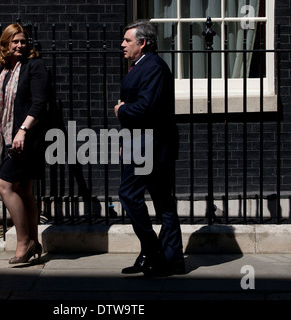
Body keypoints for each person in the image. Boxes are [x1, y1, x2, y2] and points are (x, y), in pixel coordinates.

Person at [114, 20, 185, 276]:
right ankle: (172, 259)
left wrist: (121, 110)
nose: (122, 44)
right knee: (164, 203)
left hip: (150, 147)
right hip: (144, 144)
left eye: (127, 40)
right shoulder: (142, 66)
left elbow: (146, 108)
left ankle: (152, 249)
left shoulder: (153, 67)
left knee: (128, 195)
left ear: (142, 43)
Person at [0, 23, 48, 264]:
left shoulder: (35, 67)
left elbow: (39, 103)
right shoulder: (7, 71)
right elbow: (3, 109)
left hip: (26, 139)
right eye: (14, 41)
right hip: (11, 137)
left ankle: (23, 242)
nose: (20, 45)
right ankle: (33, 243)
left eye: (23, 41)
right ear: (5, 44)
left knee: (4, 186)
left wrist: (23, 130)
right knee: (24, 190)